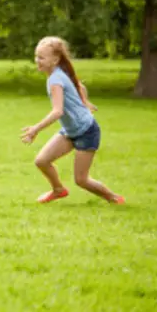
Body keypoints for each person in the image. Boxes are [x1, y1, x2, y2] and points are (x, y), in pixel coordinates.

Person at [21, 36, 125, 204]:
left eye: (41, 57)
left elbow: (57, 111)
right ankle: (58, 190)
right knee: (42, 161)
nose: (37, 61)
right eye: (36, 56)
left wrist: (36, 129)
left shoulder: (55, 78)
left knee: (81, 180)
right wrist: (84, 101)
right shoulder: (59, 73)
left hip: (86, 131)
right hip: (70, 131)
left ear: (55, 59)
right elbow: (79, 85)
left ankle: (114, 198)